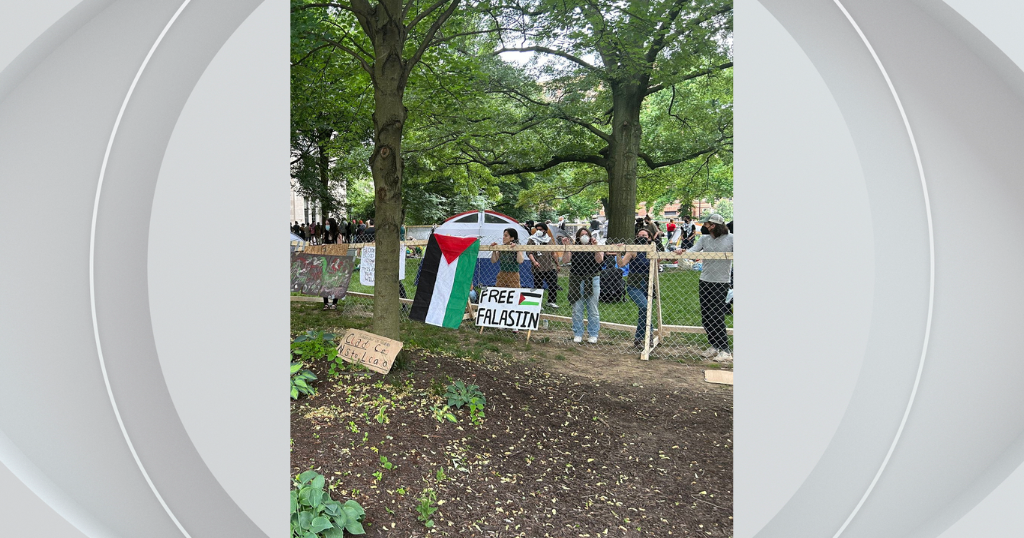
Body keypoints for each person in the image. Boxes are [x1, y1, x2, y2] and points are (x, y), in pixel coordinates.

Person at [683, 213, 733, 362]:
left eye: (707, 224)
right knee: (706, 317)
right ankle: (714, 345)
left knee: (716, 315)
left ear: (714, 225)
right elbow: (693, 251)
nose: (705, 227)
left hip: (721, 282)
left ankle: (725, 350)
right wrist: (682, 252)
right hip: (705, 280)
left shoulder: (732, 239)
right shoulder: (704, 239)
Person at [562, 228, 603, 343]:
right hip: (576, 280)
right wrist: (567, 247)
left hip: (592, 279)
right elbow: (565, 260)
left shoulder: (595, 246)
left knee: (593, 309)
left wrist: (595, 247)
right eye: (582, 235)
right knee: (577, 309)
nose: (584, 236)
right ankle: (578, 333)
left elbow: (599, 260)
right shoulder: (574, 247)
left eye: (586, 234)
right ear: (578, 237)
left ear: (590, 236)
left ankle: (593, 334)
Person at [616, 229, 655, 350]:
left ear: (649, 237)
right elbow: (621, 264)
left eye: (644, 235)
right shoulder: (633, 250)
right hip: (634, 285)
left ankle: (639, 338)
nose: (642, 237)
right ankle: (649, 334)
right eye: (640, 235)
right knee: (645, 307)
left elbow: (661, 262)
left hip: (648, 285)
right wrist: (618, 253)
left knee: (644, 311)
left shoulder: (652, 249)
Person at [526, 223, 559, 309]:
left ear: (545, 230)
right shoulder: (532, 240)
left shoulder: (549, 240)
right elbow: (529, 253)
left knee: (553, 284)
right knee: (538, 285)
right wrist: (534, 262)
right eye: (537, 229)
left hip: (549, 266)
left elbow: (553, 253)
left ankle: (551, 301)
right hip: (538, 267)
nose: (538, 231)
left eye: (540, 229)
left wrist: (557, 264)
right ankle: (538, 303)